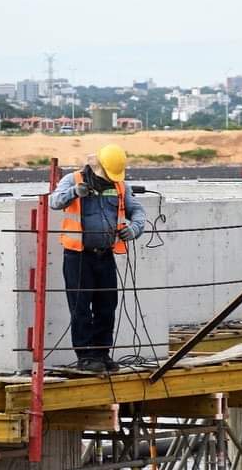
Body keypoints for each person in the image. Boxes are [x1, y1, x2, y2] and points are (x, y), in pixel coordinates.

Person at [50, 144, 145, 373]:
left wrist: (134, 229)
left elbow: (137, 211)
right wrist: (75, 192)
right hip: (78, 257)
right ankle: (85, 357)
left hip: (105, 256)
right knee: (81, 308)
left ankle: (102, 354)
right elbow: (54, 202)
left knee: (106, 306)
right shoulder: (73, 179)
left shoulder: (120, 186)